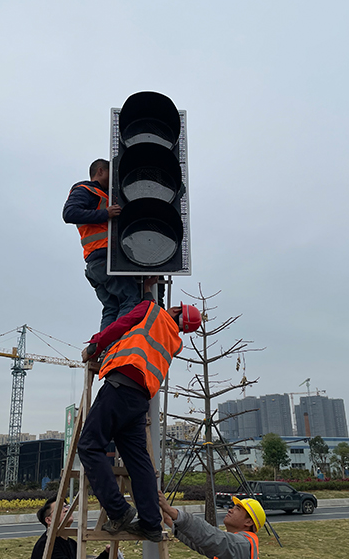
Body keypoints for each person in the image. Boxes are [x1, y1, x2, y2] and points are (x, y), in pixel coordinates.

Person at [77, 285, 202, 543]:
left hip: (119, 385)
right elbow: (151, 316)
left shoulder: (151, 311)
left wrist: (93, 347)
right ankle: (151, 524)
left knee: (89, 446)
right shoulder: (174, 341)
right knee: (139, 462)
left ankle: (118, 511)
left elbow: (118, 325)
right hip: (138, 400)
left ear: (176, 309)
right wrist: (147, 290)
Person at [63, 158, 142, 331]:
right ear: (100, 171)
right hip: (106, 258)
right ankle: (117, 346)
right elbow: (69, 213)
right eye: (111, 173)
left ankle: (103, 351)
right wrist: (105, 213)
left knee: (112, 308)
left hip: (96, 262)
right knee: (130, 300)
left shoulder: (104, 195)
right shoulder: (85, 190)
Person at [158, 492, 265, 559]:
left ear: (248, 522)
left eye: (237, 509)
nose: (230, 510)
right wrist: (168, 520)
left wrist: (171, 510)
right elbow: (201, 543)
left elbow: (209, 535)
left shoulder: (242, 544)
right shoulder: (231, 545)